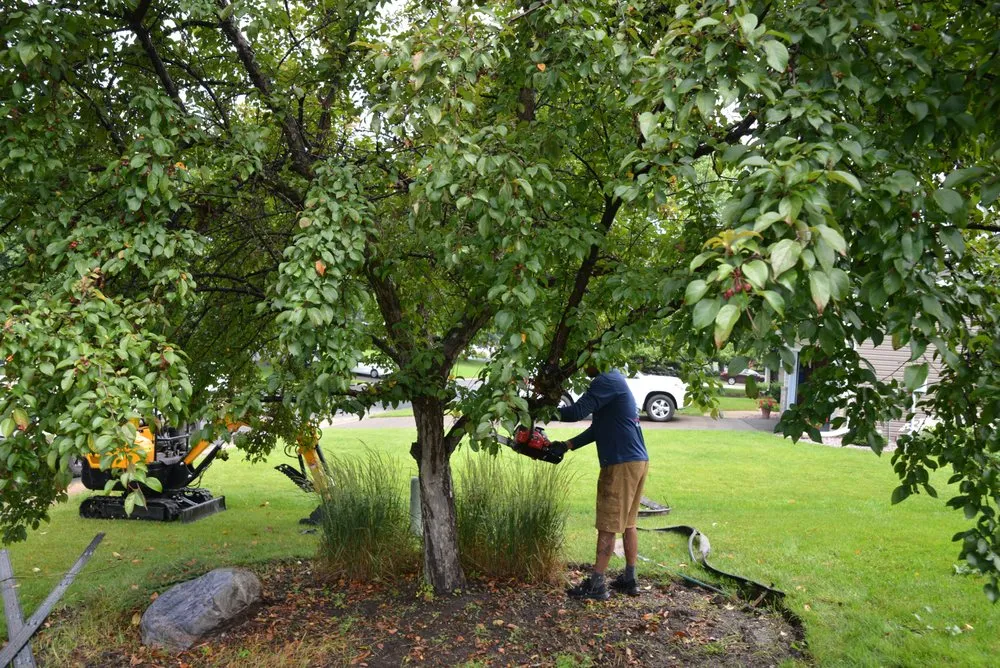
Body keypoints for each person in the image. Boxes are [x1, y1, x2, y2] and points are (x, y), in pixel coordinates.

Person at [550, 365, 648, 600]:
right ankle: (629, 579)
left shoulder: (605, 379)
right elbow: (598, 429)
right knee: (628, 523)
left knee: (608, 525)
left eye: (587, 358)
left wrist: (539, 411)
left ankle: (597, 585)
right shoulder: (614, 380)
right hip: (637, 461)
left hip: (620, 464)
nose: (583, 364)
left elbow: (575, 412)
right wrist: (567, 445)